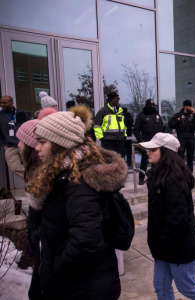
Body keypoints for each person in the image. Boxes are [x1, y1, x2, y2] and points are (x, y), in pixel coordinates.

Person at [25, 105, 127, 299]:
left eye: (41, 141)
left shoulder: (79, 182)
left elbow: (85, 240)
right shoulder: (62, 175)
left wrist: (55, 270)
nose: (36, 148)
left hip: (83, 289)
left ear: (59, 143)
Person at [139, 132, 195, 300]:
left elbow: (177, 220)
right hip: (162, 246)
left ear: (165, 152)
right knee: (160, 285)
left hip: (179, 247)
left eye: (153, 149)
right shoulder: (156, 175)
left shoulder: (175, 179)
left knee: (187, 287)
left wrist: (163, 244)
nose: (148, 152)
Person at [16, 107, 57, 300]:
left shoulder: (49, 183)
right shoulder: (36, 179)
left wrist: (36, 238)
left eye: (21, 141)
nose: (18, 145)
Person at [134, 99, 165, 184]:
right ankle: (141, 178)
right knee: (144, 160)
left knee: (156, 160)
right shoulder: (142, 115)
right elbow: (136, 129)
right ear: (146, 105)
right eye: (150, 105)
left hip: (156, 141)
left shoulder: (156, 114)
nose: (152, 107)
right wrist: (140, 141)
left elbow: (161, 126)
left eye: (153, 105)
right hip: (146, 141)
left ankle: (155, 177)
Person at [0, 95, 31, 179]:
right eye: (1, 103)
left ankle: (34, 185)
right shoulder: (1, 115)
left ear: (11, 102)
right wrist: (3, 144)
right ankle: (33, 179)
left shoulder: (21, 113)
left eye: (4, 103)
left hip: (23, 144)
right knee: (14, 168)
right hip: (9, 146)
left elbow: (29, 126)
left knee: (29, 165)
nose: (2, 105)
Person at [168, 99, 195, 172]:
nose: (191, 108)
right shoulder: (178, 115)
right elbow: (170, 124)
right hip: (181, 139)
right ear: (185, 106)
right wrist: (178, 120)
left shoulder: (193, 115)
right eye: (190, 106)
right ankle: (179, 174)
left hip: (191, 139)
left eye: (191, 106)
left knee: (190, 158)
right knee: (180, 158)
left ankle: (190, 174)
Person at [94, 91, 126, 156]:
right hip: (108, 141)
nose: (118, 100)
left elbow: (124, 125)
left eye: (118, 98)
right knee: (109, 161)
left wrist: (124, 135)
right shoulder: (103, 111)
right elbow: (97, 125)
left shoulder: (120, 111)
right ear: (111, 99)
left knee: (120, 161)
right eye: (116, 98)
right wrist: (101, 138)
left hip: (120, 140)